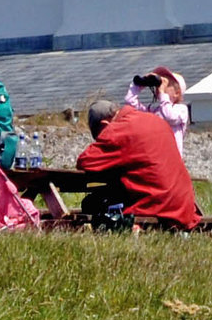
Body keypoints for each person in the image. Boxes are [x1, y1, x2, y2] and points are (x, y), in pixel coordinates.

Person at [77, 96, 202, 230]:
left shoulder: (117, 130)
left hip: (158, 205)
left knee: (91, 203)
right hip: (185, 206)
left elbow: (85, 162)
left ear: (105, 125)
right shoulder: (155, 120)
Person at [124, 66, 190, 158]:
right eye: (159, 84)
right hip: (157, 157)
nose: (159, 88)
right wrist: (138, 85)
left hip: (172, 159)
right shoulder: (155, 110)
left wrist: (163, 94)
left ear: (177, 93)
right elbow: (130, 103)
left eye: (165, 84)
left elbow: (170, 117)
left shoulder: (181, 109)